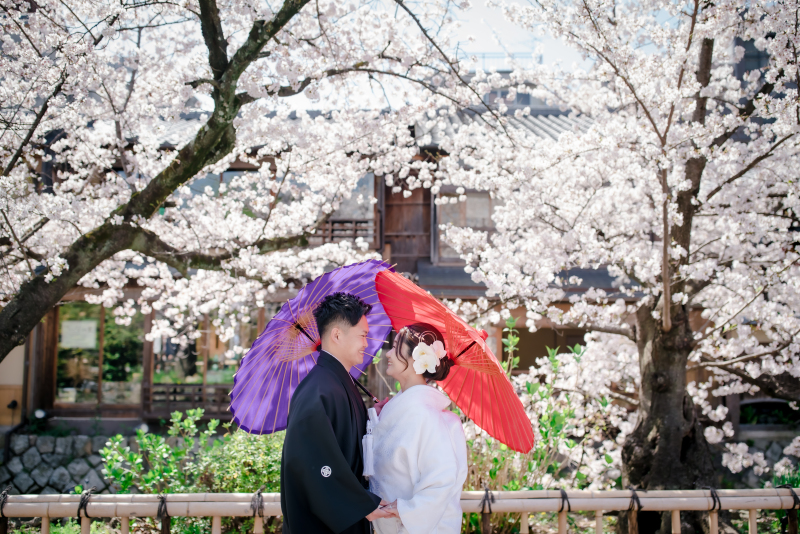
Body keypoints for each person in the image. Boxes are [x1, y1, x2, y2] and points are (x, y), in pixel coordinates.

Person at [280, 292, 393, 534]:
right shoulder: (317, 391)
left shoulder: (336, 383)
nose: (366, 343)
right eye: (362, 335)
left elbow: (345, 441)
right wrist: (359, 504)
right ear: (337, 335)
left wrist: (372, 415)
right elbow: (313, 464)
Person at [369, 323, 468, 534]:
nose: (388, 354)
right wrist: (375, 419)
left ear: (417, 357)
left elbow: (442, 478)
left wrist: (403, 509)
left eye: (396, 346)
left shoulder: (424, 414)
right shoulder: (406, 408)